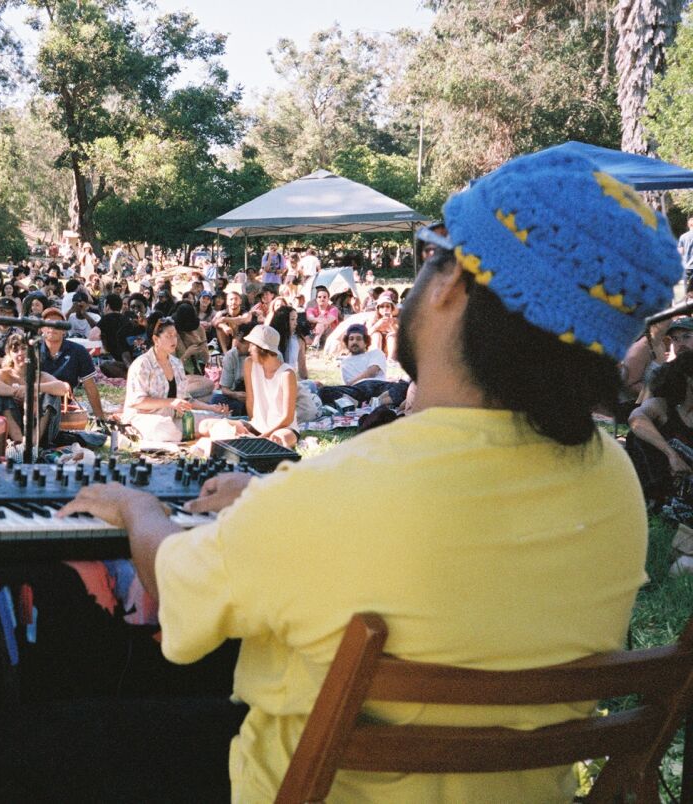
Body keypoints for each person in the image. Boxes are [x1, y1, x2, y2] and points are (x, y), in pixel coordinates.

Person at [58, 146, 678, 801]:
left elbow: (176, 585)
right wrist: (273, 500)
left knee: (33, 737)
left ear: (453, 286)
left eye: (431, 253)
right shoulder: (613, 484)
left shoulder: (343, 489)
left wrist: (136, 509)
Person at [122, 312, 227, 442]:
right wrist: (170, 402)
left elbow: (186, 399)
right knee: (164, 429)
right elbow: (137, 401)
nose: (174, 340)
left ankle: (194, 432)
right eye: (169, 336)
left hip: (172, 417)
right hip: (144, 419)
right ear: (156, 339)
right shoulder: (142, 365)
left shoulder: (176, 363)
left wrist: (211, 408)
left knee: (216, 419)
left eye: (175, 336)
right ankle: (191, 434)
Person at [203, 324, 299, 448]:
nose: (249, 349)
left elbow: (288, 417)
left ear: (262, 349)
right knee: (206, 425)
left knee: (278, 441)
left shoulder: (287, 374)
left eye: (252, 345)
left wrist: (262, 436)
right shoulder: (249, 364)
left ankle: (253, 444)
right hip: (257, 426)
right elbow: (250, 400)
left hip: (282, 428)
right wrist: (251, 427)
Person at [627, 351, 693, 504]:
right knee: (639, 437)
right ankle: (651, 497)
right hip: (662, 479)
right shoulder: (663, 406)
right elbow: (636, 419)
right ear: (689, 380)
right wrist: (672, 455)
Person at [0, 333, 71, 444]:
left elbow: (62, 388)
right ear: (9, 354)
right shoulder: (2, 373)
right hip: (9, 434)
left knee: (51, 394)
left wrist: (32, 388)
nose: (20, 354)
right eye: (15, 350)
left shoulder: (40, 375)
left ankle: (34, 442)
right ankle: (19, 441)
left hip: (42, 433)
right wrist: (16, 392)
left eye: (24, 349)